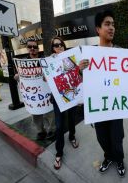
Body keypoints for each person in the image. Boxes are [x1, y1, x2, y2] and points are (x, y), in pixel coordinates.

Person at [79, 10, 126, 177]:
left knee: (117, 137)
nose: (111, 28)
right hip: (98, 107)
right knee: (102, 138)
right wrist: (80, 70)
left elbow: (126, 82)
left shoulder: (120, 53)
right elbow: (84, 82)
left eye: (113, 24)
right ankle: (108, 157)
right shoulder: (89, 54)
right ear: (98, 29)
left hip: (115, 106)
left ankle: (119, 159)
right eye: (107, 24)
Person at [14, 40, 55, 140]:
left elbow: (52, 72)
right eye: (30, 47)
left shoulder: (45, 60)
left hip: (45, 94)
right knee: (36, 114)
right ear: (27, 48)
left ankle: (51, 130)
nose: (32, 49)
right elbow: (19, 77)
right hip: (33, 97)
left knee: (50, 113)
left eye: (35, 47)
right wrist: (17, 77)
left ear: (38, 48)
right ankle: (40, 131)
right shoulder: (22, 63)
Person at [50, 37, 79, 170]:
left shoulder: (70, 58)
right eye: (56, 45)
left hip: (71, 95)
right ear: (52, 48)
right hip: (57, 98)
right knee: (60, 125)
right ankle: (59, 152)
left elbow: (78, 75)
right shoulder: (49, 61)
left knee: (72, 119)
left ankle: (72, 136)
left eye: (61, 44)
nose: (59, 46)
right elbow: (46, 79)